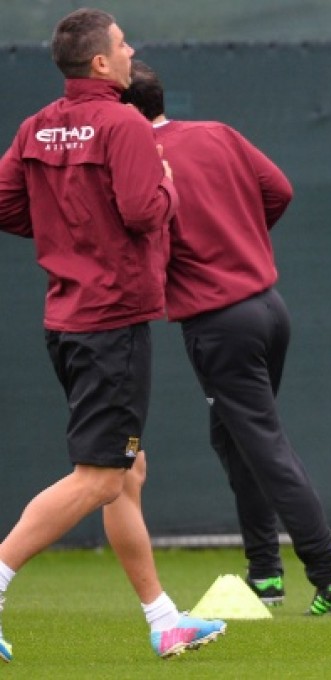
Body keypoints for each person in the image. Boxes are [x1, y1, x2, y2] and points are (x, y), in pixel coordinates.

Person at [0, 9, 226, 662]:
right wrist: (169, 185)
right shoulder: (124, 122)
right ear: (100, 64)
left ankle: (163, 620)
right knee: (100, 476)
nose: (131, 52)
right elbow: (142, 210)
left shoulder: (36, 125)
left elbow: (9, 204)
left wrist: (68, 236)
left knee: (127, 471)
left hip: (67, 318)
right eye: (123, 44)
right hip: (112, 319)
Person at [120, 61, 331, 616]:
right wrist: (241, 240)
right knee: (233, 439)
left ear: (122, 113)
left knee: (265, 445)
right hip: (268, 308)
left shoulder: (138, 164)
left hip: (219, 324)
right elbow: (278, 190)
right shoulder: (217, 133)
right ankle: (265, 575)